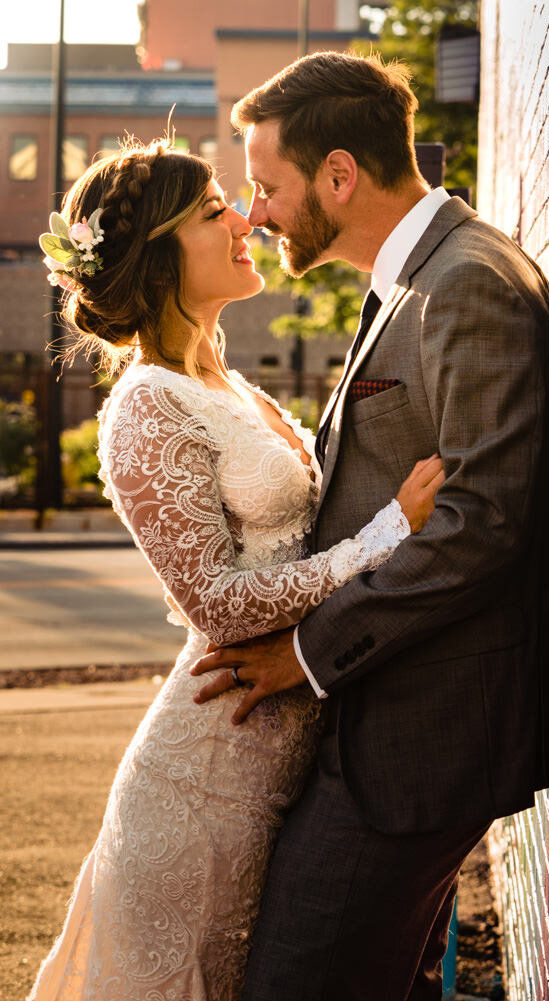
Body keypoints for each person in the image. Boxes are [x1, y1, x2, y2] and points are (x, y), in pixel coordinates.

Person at [28, 137, 447, 1000]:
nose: (246, 218)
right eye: (214, 211)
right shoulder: (145, 405)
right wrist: (385, 536)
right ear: (159, 254)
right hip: (201, 785)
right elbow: (218, 604)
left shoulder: (230, 386)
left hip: (273, 767)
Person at [189, 51, 549, 1000]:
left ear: (340, 175)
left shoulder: (467, 282)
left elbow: (482, 524)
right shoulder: (410, 279)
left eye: (268, 187)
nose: (257, 212)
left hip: (414, 747)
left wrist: (307, 653)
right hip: (378, 728)